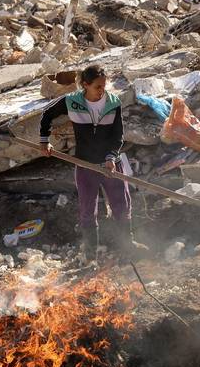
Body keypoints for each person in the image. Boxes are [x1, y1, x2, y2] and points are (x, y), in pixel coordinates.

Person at [39, 64, 133, 258]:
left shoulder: (113, 102)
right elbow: (46, 114)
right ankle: (91, 254)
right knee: (87, 211)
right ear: (85, 85)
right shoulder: (72, 102)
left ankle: (127, 247)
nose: (102, 91)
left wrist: (111, 157)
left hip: (110, 165)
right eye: (98, 87)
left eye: (104, 86)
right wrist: (44, 141)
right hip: (85, 165)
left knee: (121, 206)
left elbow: (117, 136)